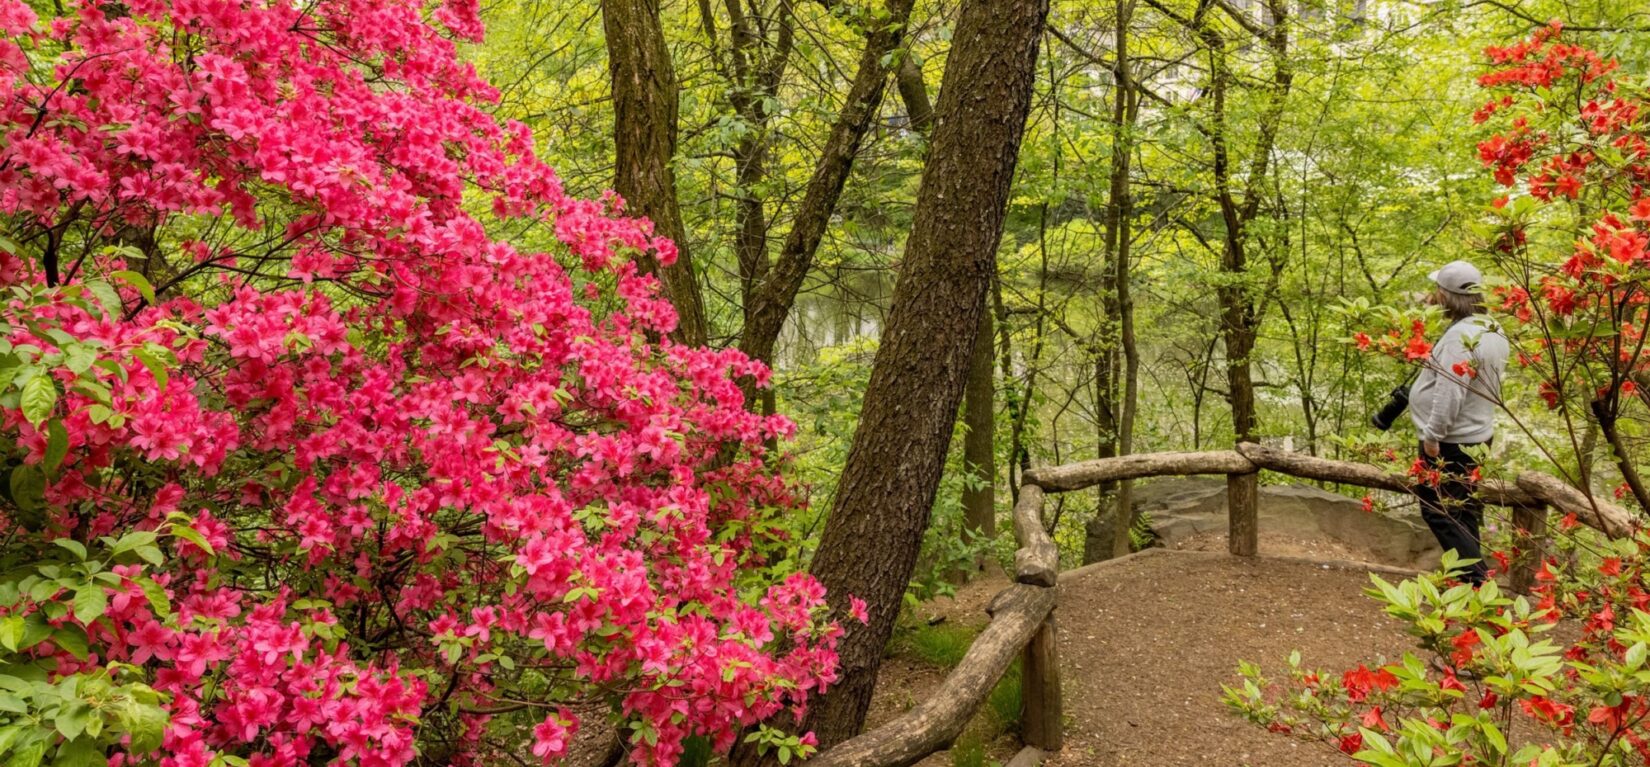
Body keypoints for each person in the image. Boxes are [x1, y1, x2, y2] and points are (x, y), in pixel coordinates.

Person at [1408, 260, 1509, 585]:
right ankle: (1474, 588)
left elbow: (1450, 393)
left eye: (1439, 291)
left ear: (1449, 296)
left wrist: (1432, 436)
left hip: (1451, 440)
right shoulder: (1492, 329)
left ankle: (1479, 582)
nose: (1435, 296)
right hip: (1478, 437)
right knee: (1463, 511)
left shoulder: (1459, 337)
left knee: (1438, 510)